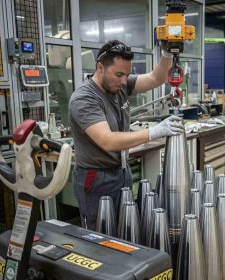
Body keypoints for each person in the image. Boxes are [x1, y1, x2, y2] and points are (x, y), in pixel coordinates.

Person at [69, 40, 184, 230]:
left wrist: (167, 54)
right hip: (97, 179)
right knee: (101, 238)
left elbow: (156, 78)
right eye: (119, 74)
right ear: (100, 68)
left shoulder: (118, 85)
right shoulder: (84, 98)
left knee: (124, 231)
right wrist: (155, 132)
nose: (124, 81)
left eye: (127, 75)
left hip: (122, 172)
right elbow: (107, 140)